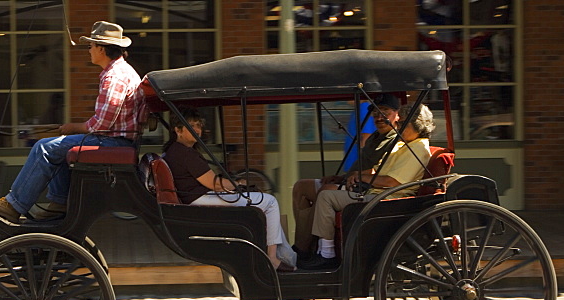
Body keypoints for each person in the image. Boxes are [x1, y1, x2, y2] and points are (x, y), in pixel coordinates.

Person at [0, 21, 144, 222]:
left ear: (101, 48)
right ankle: (59, 203)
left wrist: (72, 128)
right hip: (118, 141)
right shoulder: (120, 72)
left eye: (90, 46)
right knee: (61, 147)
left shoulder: (115, 77)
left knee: (44, 148)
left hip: (114, 142)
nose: (89, 50)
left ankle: (14, 205)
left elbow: (101, 125)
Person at [302, 103, 434, 270]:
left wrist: (360, 176)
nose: (397, 127)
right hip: (377, 194)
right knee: (323, 191)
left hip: (388, 200)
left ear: (416, 125)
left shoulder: (418, 148)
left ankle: (327, 255)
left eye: (401, 124)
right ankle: (318, 249)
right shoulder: (405, 145)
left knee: (326, 196)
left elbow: (392, 182)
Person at [162, 109, 296, 272]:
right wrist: (237, 183)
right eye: (191, 126)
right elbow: (215, 184)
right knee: (270, 202)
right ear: (178, 130)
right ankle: (274, 259)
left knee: (264, 204)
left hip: (196, 196)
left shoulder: (175, 150)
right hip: (199, 198)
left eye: (199, 126)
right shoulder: (185, 154)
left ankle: (287, 255)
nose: (197, 130)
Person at [291, 94, 401, 260]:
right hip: (351, 181)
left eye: (385, 112)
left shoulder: (395, 143)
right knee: (301, 187)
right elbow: (361, 165)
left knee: (325, 192)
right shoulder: (374, 139)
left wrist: (356, 177)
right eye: (376, 113)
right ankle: (302, 242)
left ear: (396, 114)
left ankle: (307, 248)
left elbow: (377, 172)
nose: (379, 117)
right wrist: (340, 177)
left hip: (365, 187)